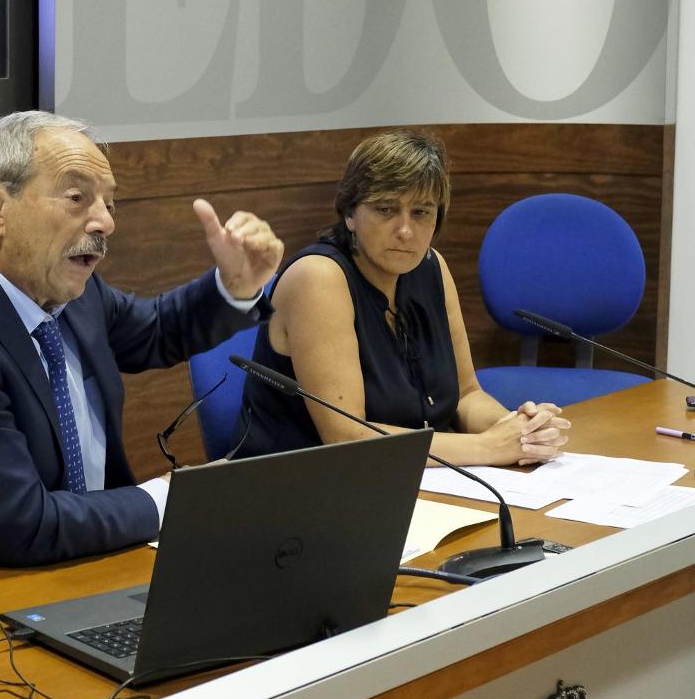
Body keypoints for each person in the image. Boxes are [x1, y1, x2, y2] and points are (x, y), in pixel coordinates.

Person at [0, 111, 284, 588]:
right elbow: (25, 525)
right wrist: (171, 499)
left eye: (109, 203)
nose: (105, 221)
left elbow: (157, 331)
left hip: (82, 564)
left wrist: (233, 287)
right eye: (78, 197)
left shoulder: (69, 293)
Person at [232, 129, 570, 466]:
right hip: (304, 486)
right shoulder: (318, 277)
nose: (406, 230)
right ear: (350, 214)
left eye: (421, 212)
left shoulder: (431, 267)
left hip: (417, 477)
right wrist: (489, 447)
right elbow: (347, 437)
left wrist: (519, 431)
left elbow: (466, 396)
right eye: (385, 209)